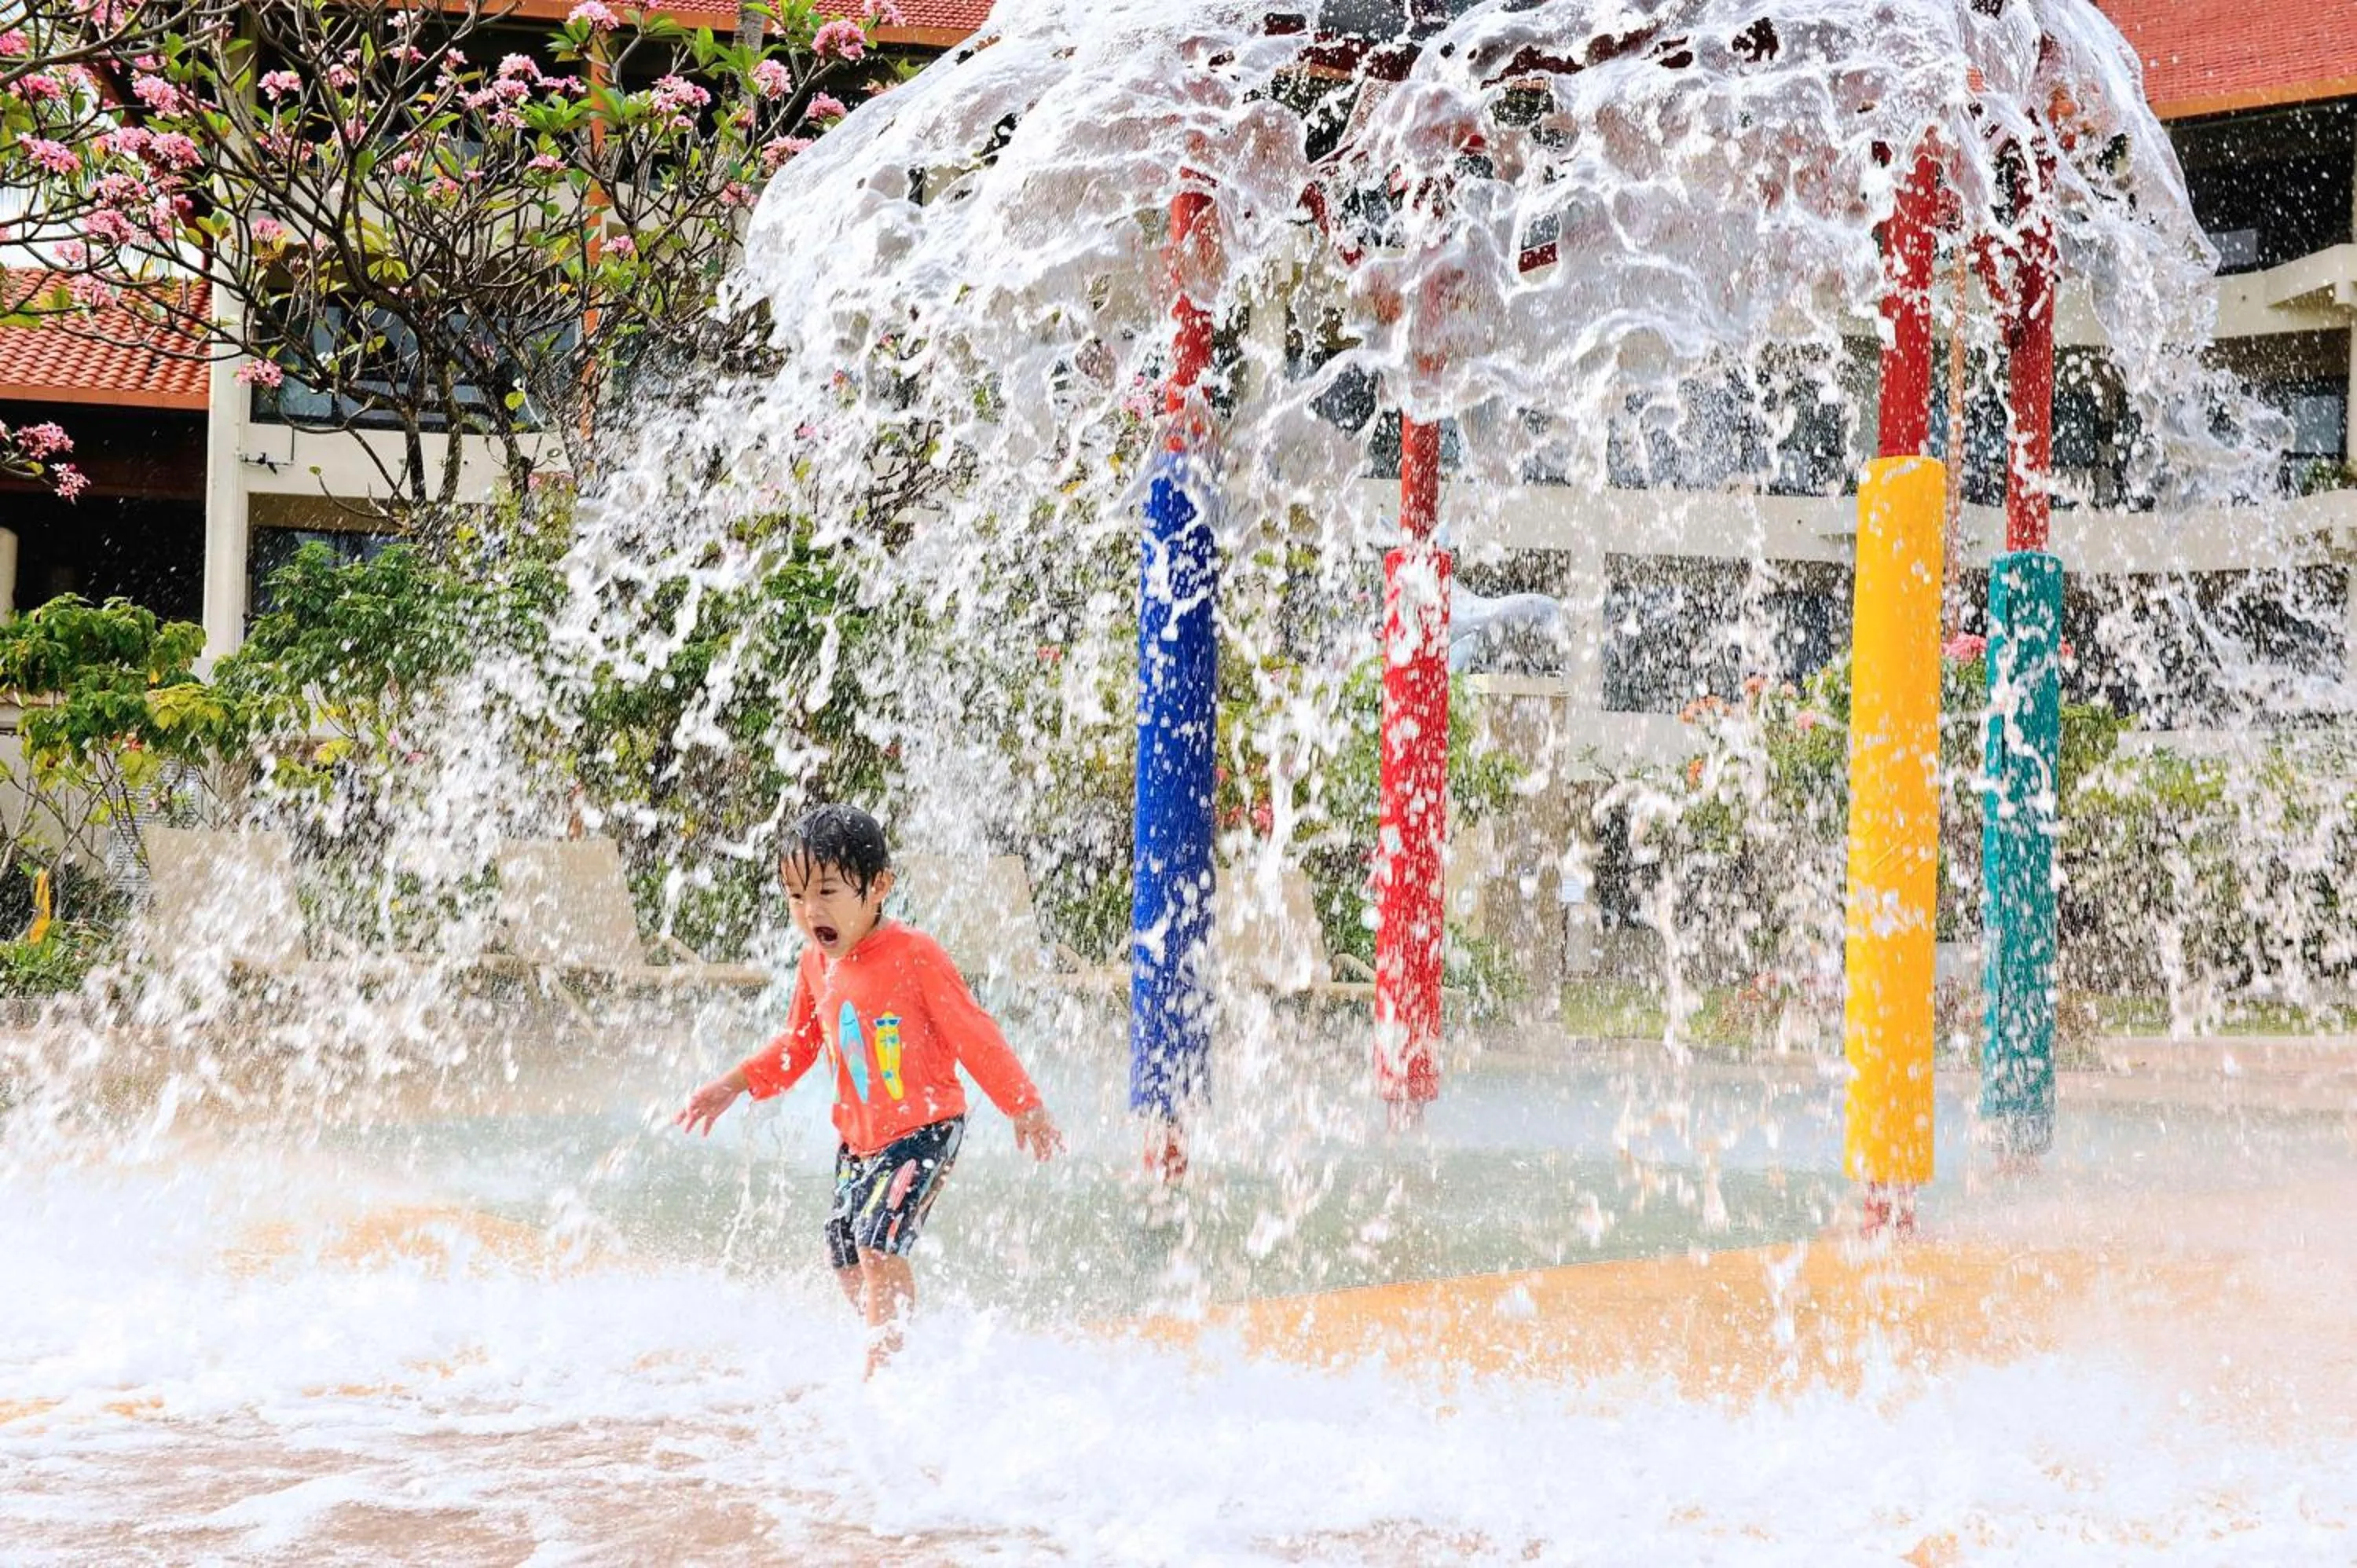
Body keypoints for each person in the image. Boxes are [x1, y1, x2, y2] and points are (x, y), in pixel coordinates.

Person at [676, 804, 1062, 1374]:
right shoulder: (816, 963)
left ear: (879, 885)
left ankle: (883, 1374)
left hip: (925, 1130)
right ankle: (900, 1344)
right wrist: (733, 1084)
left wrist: (1022, 1104)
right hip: (859, 1142)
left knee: (879, 1246)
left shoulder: (915, 955)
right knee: (846, 1257)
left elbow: (973, 1031)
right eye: (796, 896)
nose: (811, 912)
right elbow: (798, 1044)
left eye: (828, 891)